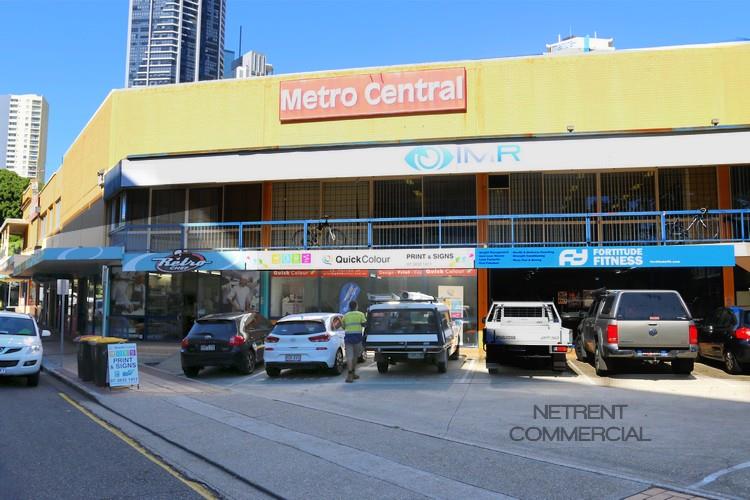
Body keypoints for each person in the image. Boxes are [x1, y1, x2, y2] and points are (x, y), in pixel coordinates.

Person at [342, 300, 367, 383]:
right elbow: (364, 324)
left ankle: (350, 375)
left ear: (349, 307)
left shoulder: (345, 316)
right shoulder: (360, 314)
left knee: (349, 357)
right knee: (355, 356)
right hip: (357, 338)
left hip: (348, 338)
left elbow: (343, 327)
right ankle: (352, 373)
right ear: (356, 306)